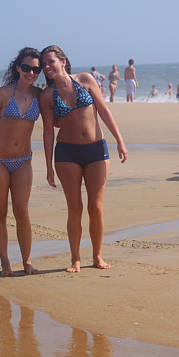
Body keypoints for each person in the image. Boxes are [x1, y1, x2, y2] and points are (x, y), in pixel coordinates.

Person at [39, 45, 128, 273]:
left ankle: (97, 256)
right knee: (74, 208)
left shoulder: (86, 79)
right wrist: (48, 165)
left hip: (96, 150)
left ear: (63, 61)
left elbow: (104, 110)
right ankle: (75, 259)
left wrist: (119, 140)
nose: (47, 67)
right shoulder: (47, 95)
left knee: (96, 207)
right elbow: (48, 131)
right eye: (44, 64)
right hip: (67, 153)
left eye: (50, 62)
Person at [0, 47, 41, 277]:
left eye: (36, 69)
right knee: (0, 212)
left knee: (22, 212)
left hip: (23, 161)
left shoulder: (39, 95)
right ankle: (5, 263)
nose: (31, 73)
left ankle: (27, 262)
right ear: (17, 68)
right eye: (26, 68)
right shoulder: (4, 93)